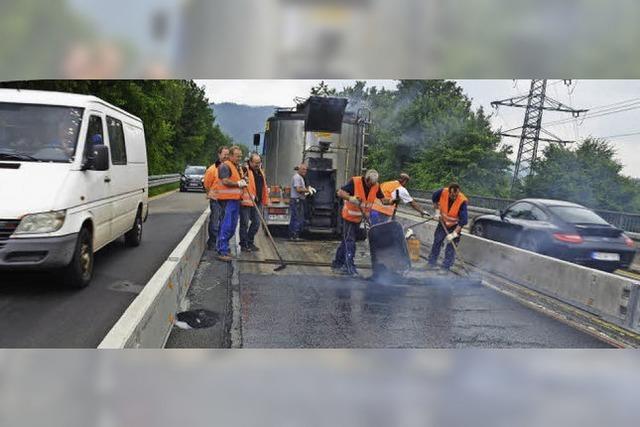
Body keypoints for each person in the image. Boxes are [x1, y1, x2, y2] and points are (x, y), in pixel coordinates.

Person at [331, 169, 387, 277]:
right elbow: (340, 192)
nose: (371, 186)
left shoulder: (375, 186)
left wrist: (393, 200)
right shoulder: (355, 182)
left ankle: (337, 264)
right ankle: (349, 266)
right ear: (366, 179)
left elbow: (383, 200)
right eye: (370, 184)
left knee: (346, 241)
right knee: (350, 242)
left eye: (373, 184)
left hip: (358, 218)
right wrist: (350, 198)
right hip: (348, 217)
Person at [211, 146, 247, 261]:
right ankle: (222, 251)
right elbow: (225, 181)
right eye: (237, 156)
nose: (239, 158)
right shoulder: (225, 166)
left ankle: (225, 249)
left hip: (235, 200)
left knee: (232, 226)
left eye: (240, 156)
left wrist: (243, 182)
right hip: (226, 201)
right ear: (231, 155)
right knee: (226, 226)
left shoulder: (236, 167)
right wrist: (238, 184)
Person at [427, 182, 469, 271]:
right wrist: (437, 212)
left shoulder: (462, 201)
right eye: (452, 195)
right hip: (442, 222)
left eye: (456, 195)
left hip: (455, 225)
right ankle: (431, 263)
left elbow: (463, 221)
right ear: (449, 192)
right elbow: (434, 199)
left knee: (451, 246)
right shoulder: (442, 192)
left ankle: (445, 267)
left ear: (459, 192)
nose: (454, 197)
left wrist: (454, 234)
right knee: (437, 241)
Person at [239, 153, 269, 252]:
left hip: (258, 201)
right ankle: (243, 244)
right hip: (246, 202)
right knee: (244, 223)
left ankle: (250, 241)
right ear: (250, 162)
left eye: (259, 162)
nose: (257, 164)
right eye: (255, 162)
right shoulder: (245, 170)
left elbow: (262, 185)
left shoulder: (260, 171)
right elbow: (241, 181)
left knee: (256, 223)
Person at [203, 146, 229, 250]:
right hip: (216, 200)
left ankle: (221, 244)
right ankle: (212, 242)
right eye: (224, 154)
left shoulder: (230, 169)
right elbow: (207, 184)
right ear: (219, 155)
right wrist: (212, 194)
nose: (226, 157)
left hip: (227, 201)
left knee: (224, 224)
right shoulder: (212, 169)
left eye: (228, 155)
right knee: (214, 223)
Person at [288, 163, 315, 240]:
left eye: (306, 169)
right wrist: (308, 190)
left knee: (295, 217)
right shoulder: (297, 177)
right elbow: (298, 189)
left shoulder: (300, 177)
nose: (305, 171)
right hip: (297, 200)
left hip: (298, 200)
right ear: (299, 169)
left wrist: (306, 191)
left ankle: (292, 235)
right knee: (297, 217)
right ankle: (295, 235)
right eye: (303, 169)